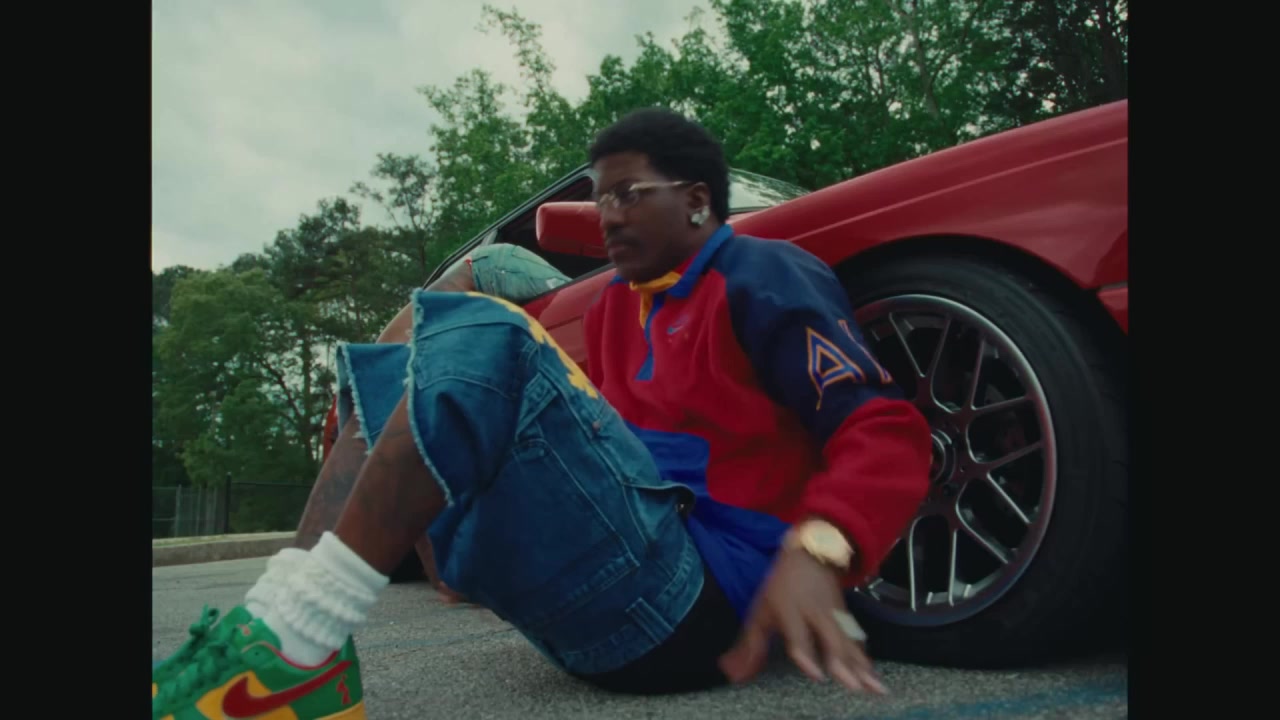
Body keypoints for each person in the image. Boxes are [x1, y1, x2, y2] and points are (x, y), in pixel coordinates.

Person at [151, 108, 932, 719]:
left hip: (703, 605)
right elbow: (602, 459)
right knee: (387, 369)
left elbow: (886, 429)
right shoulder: (615, 309)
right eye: (600, 198)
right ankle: (277, 635)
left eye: (629, 194)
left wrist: (818, 552)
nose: (608, 216)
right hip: (597, 619)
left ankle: (295, 646)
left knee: (490, 327)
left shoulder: (764, 271)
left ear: (697, 200)